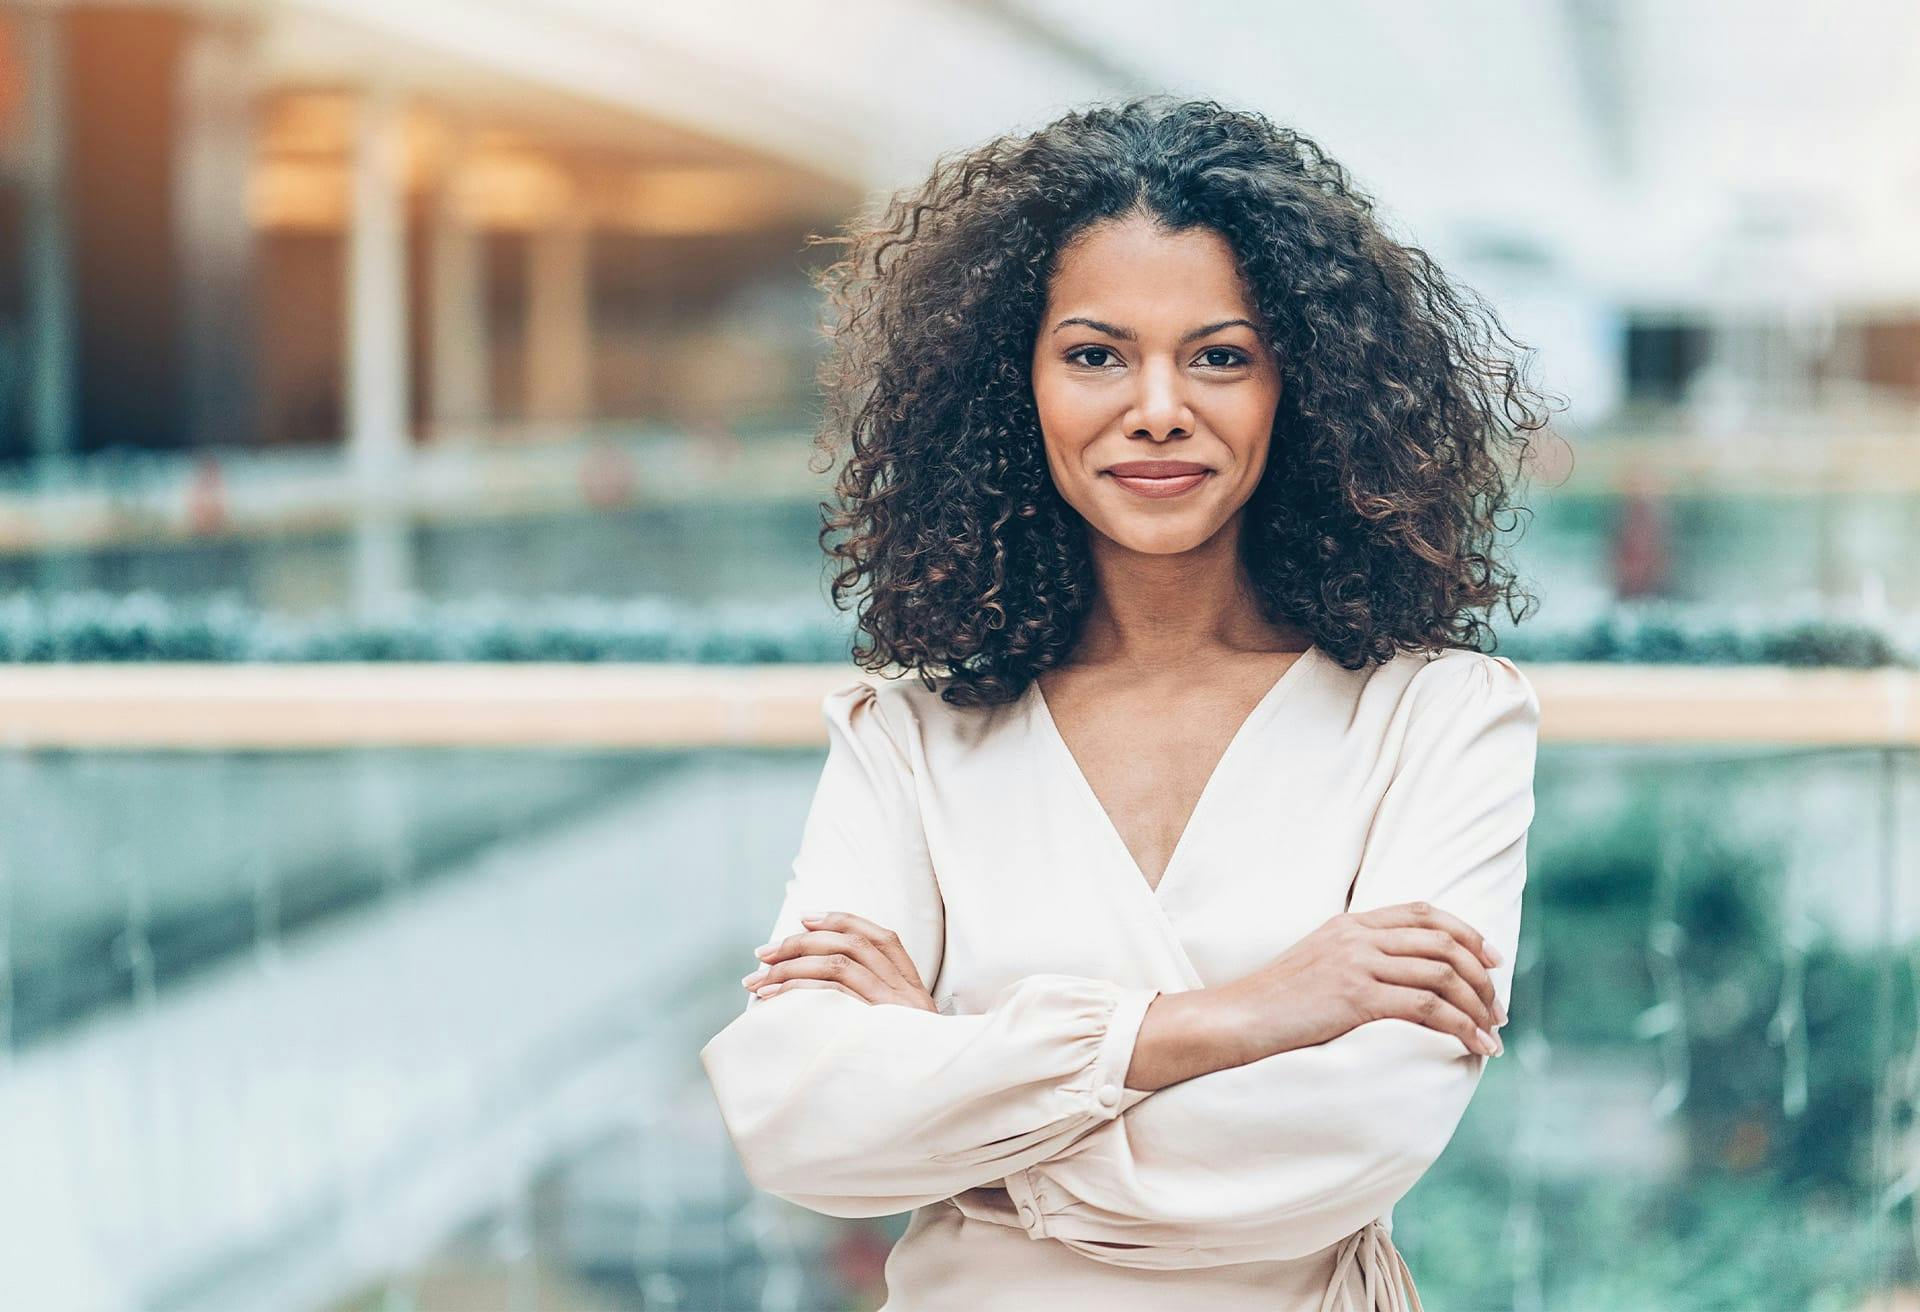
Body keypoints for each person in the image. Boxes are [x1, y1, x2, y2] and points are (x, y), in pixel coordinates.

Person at [700, 95, 1555, 1310]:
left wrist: (957, 1092)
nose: (1158, 406)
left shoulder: (1441, 718)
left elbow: (1353, 1135)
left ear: (1298, 387)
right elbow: (797, 1121)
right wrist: (1237, 1018)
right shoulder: (913, 733)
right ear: (1019, 385)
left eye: (1220, 355)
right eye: (1096, 353)